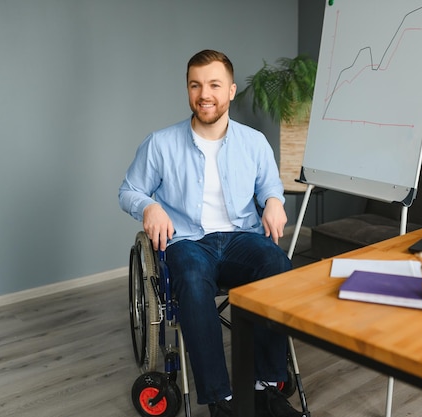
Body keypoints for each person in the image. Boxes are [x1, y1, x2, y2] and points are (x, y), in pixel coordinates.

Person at [119, 49, 304, 417]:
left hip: (241, 239)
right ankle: (222, 399)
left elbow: (270, 186)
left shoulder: (253, 142)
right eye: (196, 85)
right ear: (188, 90)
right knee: (189, 274)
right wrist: (149, 206)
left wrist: (273, 201)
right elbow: (129, 191)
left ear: (231, 90)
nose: (205, 94)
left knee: (276, 264)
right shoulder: (160, 143)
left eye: (214, 85)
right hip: (188, 242)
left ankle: (265, 387)